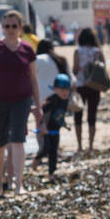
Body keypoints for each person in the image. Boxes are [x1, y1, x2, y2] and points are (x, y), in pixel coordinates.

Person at [0, 10, 41, 197]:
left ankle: (18, 184)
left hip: (22, 101)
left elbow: (33, 79)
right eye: (6, 26)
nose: (10, 30)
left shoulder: (27, 49)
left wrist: (38, 105)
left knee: (18, 139)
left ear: (20, 28)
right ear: (2, 28)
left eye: (14, 26)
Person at [31, 39, 69, 170]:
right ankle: (51, 152)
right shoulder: (60, 60)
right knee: (55, 124)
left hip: (41, 98)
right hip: (60, 97)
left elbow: (29, 77)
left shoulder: (37, 59)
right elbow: (70, 77)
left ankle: (42, 151)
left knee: (41, 125)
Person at [72, 27, 103, 156]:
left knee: (78, 116)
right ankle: (90, 146)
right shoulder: (97, 52)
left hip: (80, 86)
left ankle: (79, 146)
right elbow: (103, 67)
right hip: (94, 86)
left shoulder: (77, 52)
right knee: (92, 116)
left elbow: (74, 70)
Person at [37, 74, 72, 177]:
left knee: (54, 152)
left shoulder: (65, 102)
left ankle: (51, 173)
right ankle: (36, 160)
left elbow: (60, 116)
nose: (65, 92)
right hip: (46, 130)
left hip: (56, 130)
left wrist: (65, 125)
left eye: (67, 90)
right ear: (55, 89)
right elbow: (43, 114)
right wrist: (42, 126)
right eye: (62, 90)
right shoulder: (52, 100)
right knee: (46, 148)